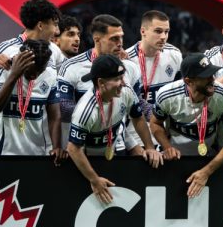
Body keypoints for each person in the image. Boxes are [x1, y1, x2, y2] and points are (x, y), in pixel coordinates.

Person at [67, 55, 163, 204]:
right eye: (117, 79)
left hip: (116, 154)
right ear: (101, 82)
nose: (123, 83)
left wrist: (150, 147)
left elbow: (138, 118)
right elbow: (73, 149)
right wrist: (94, 179)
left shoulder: (126, 92)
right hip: (89, 163)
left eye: (122, 77)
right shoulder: (86, 111)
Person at [149, 53, 223, 198]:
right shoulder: (167, 95)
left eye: (212, 74)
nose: (212, 80)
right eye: (205, 77)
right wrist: (167, 147)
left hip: (209, 160)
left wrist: (206, 172)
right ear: (189, 81)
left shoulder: (222, 95)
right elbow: (155, 123)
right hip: (173, 160)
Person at [58, 14, 142, 153]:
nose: (120, 43)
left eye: (121, 37)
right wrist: (96, 112)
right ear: (97, 39)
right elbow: (63, 107)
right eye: (114, 39)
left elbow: (137, 104)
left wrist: (158, 113)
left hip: (117, 145)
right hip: (82, 148)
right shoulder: (71, 67)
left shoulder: (129, 67)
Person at [0, 39, 63, 162]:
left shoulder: (50, 74)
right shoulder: (0, 69)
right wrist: (14, 75)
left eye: (40, 70)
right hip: (2, 155)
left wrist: (57, 146)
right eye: (32, 69)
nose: (35, 75)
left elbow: (54, 115)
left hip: (37, 155)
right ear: (22, 59)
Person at [125, 10, 183, 125]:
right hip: (135, 130)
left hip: (165, 128)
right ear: (143, 31)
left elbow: (179, 92)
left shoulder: (174, 54)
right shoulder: (127, 60)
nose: (163, 37)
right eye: (158, 31)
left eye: (166, 32)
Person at [0, 0, 66, 70]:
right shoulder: (2, 51)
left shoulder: (54, 49)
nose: (57, 31)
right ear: (40, 26)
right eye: (55, 25)